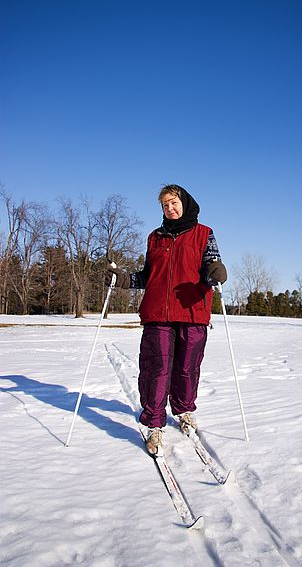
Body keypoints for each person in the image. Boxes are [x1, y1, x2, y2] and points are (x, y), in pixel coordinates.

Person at [105, 184, 227, 455]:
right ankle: (154, 424)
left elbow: (211, 265)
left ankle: (183, 410)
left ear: (184, 203)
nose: (170, 209)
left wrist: (214, 272)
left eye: (174, 203)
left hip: (192, 311)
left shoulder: (204, 234)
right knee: (156, 369)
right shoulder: (155, 238)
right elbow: (148, 275)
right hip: (158, 313)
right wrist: (123, 278)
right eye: (165, 205)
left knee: (187, 368)